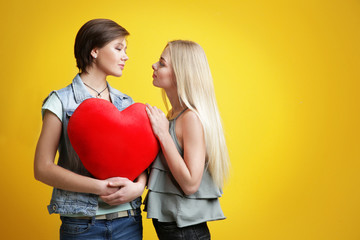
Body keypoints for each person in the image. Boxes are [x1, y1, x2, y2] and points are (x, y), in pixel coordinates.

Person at [34, 19, 145, 240]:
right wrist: (99, 187)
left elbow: (140, 157)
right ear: (94, 51)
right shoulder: (61, 101)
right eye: (118, 48)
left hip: (128, 221)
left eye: (125, 49)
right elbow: (42, 168)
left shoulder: (127, 104)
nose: (126, 56)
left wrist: (139, 186)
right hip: (81, 225)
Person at [145, 40, 230, 240]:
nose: (154, 66)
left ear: (181, 74)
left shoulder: (190, 118)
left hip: (185, 231)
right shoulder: (173, 115)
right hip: (175, 229)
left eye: (162, 63)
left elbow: (191, 184)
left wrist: (163, 134)